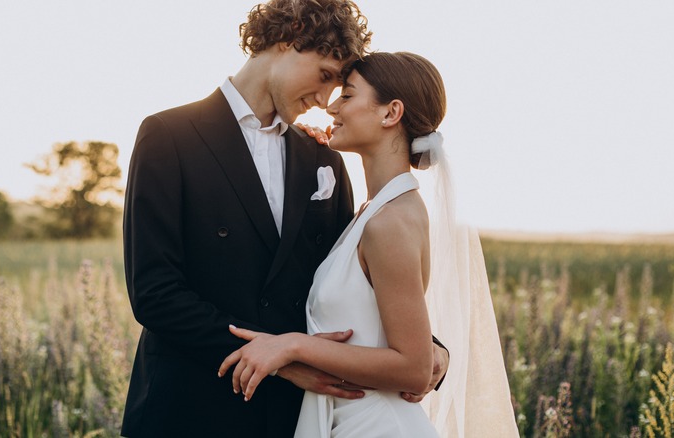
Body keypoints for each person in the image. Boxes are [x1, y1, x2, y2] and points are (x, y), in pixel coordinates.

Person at [121, 1, 447, 436]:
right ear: (289, 35)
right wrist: (282, 360)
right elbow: (155, 293)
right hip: (190, 404)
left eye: (341, 88)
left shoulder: (322, 157)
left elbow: (351, 275)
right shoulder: (168, 135)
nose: (326, 100)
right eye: (326, 75)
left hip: (292, 417)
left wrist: (425, 348)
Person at [219, 52, 518, 437]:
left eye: (347, 95)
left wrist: (294, 346)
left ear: (391, 113)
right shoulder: (373, 212)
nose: (330, 108)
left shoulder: (391, 220)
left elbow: (411, 368)